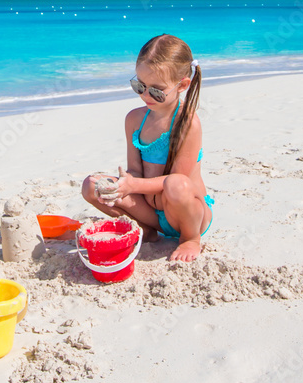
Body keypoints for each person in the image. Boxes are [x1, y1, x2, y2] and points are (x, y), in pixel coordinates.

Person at [81, 34, 213, 262]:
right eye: (139, 85)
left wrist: (133, 185)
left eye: (156, 90)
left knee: (176, 183)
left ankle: (190, 239)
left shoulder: (187, 123)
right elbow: (135, 169)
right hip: (151, 213)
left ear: (182, 85)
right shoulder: (134, 119)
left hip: (186, 213)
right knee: (92, 185)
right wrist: (124, 184)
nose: (144, 95)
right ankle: (146, 230)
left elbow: (180, 180)